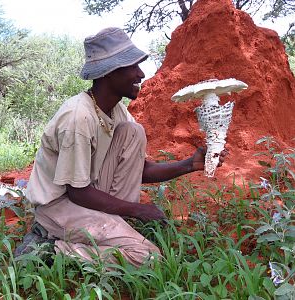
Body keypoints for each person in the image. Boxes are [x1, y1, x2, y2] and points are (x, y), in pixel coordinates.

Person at [15, 27, 227, 267]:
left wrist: (190, 164)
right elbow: (77, 192)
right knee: (147, 258)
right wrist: (137, 210)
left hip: (88, 194)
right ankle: (51, 249)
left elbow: (140, 170)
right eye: (132, 67)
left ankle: (107, 228)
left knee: (133, 132)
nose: (140, 73)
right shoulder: (78, 118)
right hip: (60, 206)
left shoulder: (116, 111)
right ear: (109, 73)